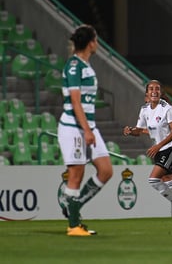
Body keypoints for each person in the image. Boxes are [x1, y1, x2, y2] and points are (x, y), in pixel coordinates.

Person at [58, 24, 113, 236]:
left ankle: (72, 207)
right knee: (76, 174)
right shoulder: (74, 66)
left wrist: (89, 129)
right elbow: (75, 101)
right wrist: (86, 130)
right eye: (96, 40)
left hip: (88, 126)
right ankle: (73, 225)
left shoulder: (85, 65)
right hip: (74, 127)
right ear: (90, 43)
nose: (97, 44)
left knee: (106, 170)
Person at [123, 80, 172, 223]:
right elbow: (139, 130)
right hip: (159, 151)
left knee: (153, 179)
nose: (154, 91)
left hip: (170, 148)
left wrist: (158, 146)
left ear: (160, 92)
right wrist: (130, 131)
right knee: (168, 180)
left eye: (157, 88)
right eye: (151, 88)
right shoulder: (144, 109)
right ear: (146, 93)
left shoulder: (167, 108)